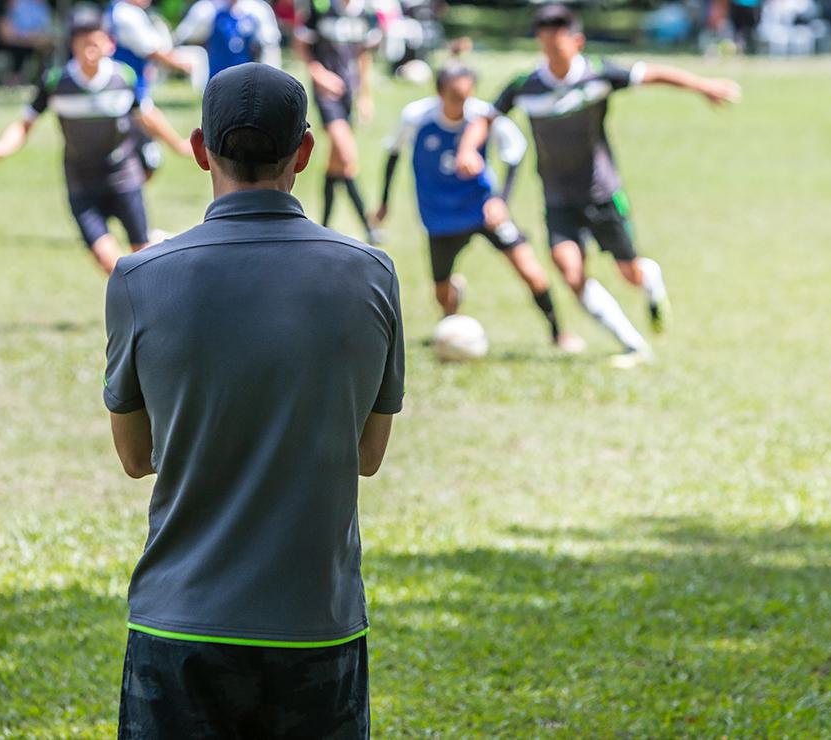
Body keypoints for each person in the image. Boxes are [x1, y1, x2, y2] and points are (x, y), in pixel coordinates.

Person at [105, 62, 404, 738]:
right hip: (315, 624)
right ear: (304, 151)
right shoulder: (371, 272)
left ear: (198, 148)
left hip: (178, 623)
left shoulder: (138, 278)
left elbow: (135, 455)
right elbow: (369, 453)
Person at [456, 3, 740, 368]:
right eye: (545, 45)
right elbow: (486, 117)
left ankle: (649, 276)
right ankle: (633, 345)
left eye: (558, 45)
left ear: (577, 42)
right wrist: (468, 148)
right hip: (558, 197)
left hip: (603, 194)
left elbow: (651, 74)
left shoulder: (597, 76)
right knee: (570, 271)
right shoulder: (525, 85)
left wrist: (703, 86)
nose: (552, 53)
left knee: (630, 273)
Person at [376, 62, 584, 353]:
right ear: (439, 93)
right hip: (439, 215)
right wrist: (384, 203)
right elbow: (393, 154)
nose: (462, 104)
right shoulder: (416, 118)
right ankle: (452, 324)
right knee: (442, 293)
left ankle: (558, 333)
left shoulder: (483, 117)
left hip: (482, 208)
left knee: (529, 268)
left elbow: (516, 149)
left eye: (467, 95)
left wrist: (501, 199)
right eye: (455, 96)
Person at [0, 11, 193, 274]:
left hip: (123, 179)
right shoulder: (57, 82)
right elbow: (25, 124)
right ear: (73, 46)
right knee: (112, 265)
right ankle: (137, 306)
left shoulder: (122, 78)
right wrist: (2, 147)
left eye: (95, 42)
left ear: (109, 44)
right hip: (82, 184)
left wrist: (180, 145)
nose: (89, 50)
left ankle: (149, 300)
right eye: (83, 43)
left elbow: (148, 117)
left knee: (143, 256)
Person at [294, 0, 382, 243]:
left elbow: (364, 56)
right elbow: (300, 44)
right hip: (327, 95)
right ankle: (368, 225)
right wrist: (319, 74)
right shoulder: (319, 6)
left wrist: (365, 96)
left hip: (348, 93)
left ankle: (324, 225)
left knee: (336, 165)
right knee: (347, 156)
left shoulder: (365, 11)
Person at [106, 0, 194, 177]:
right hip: (127, 93)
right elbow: (152, 49)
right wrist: (179, 145)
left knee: (144, 164)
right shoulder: (126, 14)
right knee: (146, 162)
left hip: (122, 93)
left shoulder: (119, 10)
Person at [173, 0, 281, 82]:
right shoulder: (206, 9)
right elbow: (185, 37)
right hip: (216, 76)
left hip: (249, 77)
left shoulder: (258, 10)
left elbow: (269, 44)